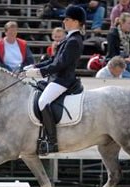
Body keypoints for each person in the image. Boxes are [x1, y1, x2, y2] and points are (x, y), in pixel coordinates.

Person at [25, 5, 86, 154]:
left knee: (42, 101)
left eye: (67, 19)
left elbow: (60, 64)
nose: (64, 21)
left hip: (63, 80)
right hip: (56, 78)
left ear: (76, 22)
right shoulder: (69, 38)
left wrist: (39, 72)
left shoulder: (73, 40)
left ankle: (52, 141)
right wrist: (34, 65)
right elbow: (53, 59)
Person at [105, 12, 130, 78]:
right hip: (116, 62)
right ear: (122, 23)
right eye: (129, 23)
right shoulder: (113, 34)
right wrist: (124, 59)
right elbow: (112, 54)